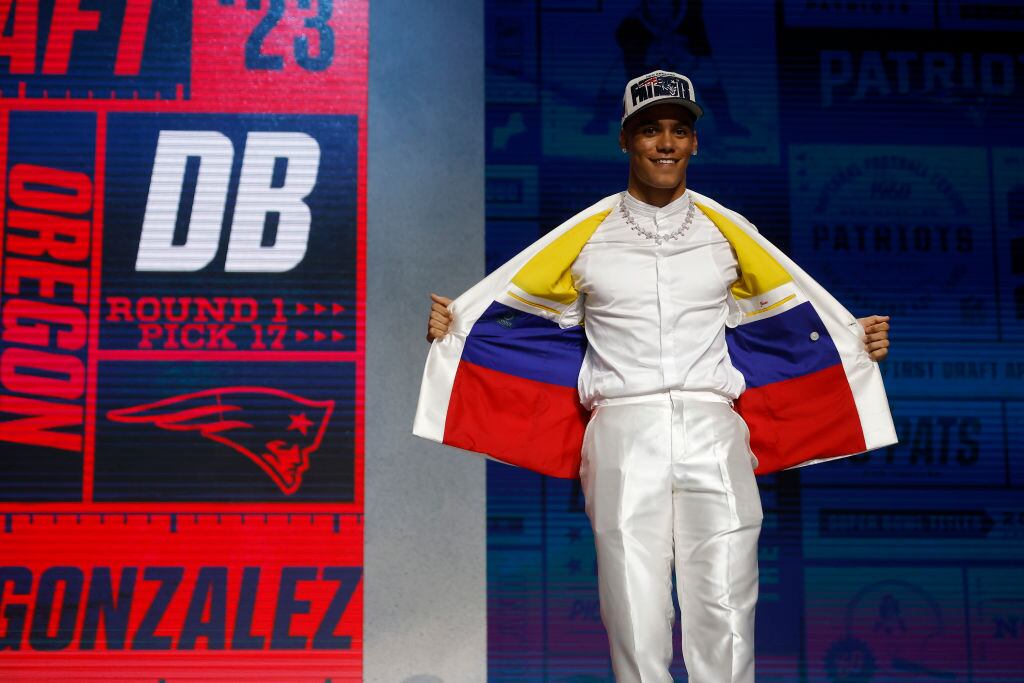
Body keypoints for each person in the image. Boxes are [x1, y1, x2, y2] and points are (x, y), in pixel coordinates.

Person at [415, 70, 896, 683]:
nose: (665, 143)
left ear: (695, 143)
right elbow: (514, 323)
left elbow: (792, 322)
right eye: (650, 130)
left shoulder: (730, 234)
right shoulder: (585, 238)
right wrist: (455, 329)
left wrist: (856, 343)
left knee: (726, 613)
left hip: (712, 429)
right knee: (635, 619)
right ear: (625, 139)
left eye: (678, 130)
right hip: (623, 430)